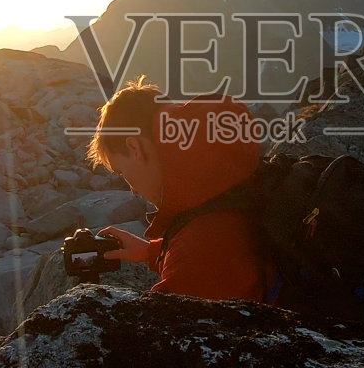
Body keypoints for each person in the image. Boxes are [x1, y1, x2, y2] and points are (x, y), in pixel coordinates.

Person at [84, 77, 272, 302]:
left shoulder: (194, 254)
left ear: (134, 148)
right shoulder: (230, 176)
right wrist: (150, 252)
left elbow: (167, 328)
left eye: (123, 173)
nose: (132, 190)